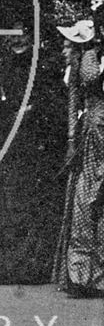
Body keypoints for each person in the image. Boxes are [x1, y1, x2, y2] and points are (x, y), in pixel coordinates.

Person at [0, 23, 67, 284]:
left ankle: (28, 268)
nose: (18, 40)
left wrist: (33, 110)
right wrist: (0, 111)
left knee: (29, 203)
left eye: (23, 35)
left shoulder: (44, 67)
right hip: (9, 143)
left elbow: (56, 104)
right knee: (7, 202)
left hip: (35, 146)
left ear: (33, 37)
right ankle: (3, 266)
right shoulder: (6, 66)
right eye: (13, 35)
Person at [53, 19, 104, 297]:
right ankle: (80, 274)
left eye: (68, 45)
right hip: (93, 135)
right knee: (85, 200)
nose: (64, 51)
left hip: (98, 132)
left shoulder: (91, 58)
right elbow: (76, 98)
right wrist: (72, 139)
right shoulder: (84, 63)